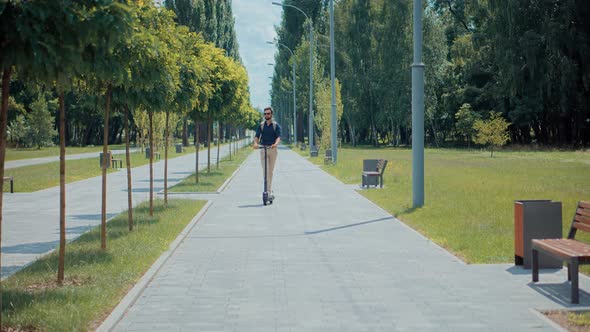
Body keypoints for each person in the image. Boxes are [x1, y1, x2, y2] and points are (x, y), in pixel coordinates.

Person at [253, 107, 282, 198]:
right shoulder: (261, 125)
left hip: (273, 149)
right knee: (266, 170)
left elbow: (278, 137)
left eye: (268, 113)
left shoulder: (276, 125)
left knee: (270, 171)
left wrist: (275, 144)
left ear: (271, 114)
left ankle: (269, 190)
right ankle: (267, 191)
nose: (266, 115)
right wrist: (255, 143)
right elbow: (257, 136)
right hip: (263, 149)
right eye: (265, 114)